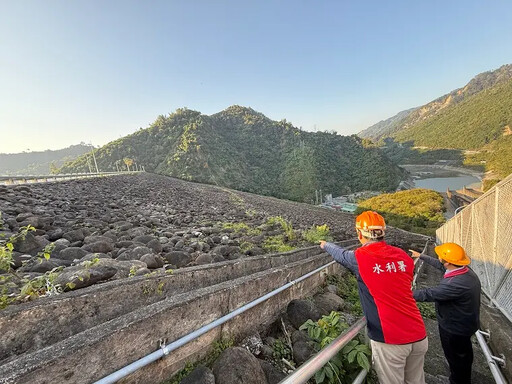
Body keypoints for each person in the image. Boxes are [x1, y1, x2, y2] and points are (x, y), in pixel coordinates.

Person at [320, 211, 427, 384]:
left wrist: (326, 245)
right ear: (383, 232)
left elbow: (340, 255)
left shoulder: (360, 258)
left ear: (359, 233)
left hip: (390, 339)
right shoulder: (403, 256)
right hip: (418, 333)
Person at [411, 243, 481, 384]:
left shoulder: (455, 283)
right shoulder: (464, 271)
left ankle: (457, 380)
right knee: (462, 356)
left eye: (442, 256)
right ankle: (458, 377)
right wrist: (421, 256)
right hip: (464, 323)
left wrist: (400, 293)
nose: (439, 257)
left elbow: (428, 294)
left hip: (454, 328)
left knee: (456, 356)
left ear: (448, 262)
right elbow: (440, 264)